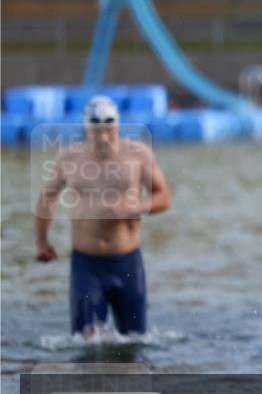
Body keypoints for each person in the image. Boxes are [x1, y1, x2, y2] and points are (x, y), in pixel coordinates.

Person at [35, 95, 171, 338]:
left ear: (117, 126)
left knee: (135, 343)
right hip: (87, 265)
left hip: (127, 263)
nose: (103, 136)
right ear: (87, 128)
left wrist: (135, 207)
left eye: (109, 129)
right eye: (96, 130)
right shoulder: (69, 158)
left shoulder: (138, 154)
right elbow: (47, 197)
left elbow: (163, 197)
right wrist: (42, 242)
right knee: (84, 345)